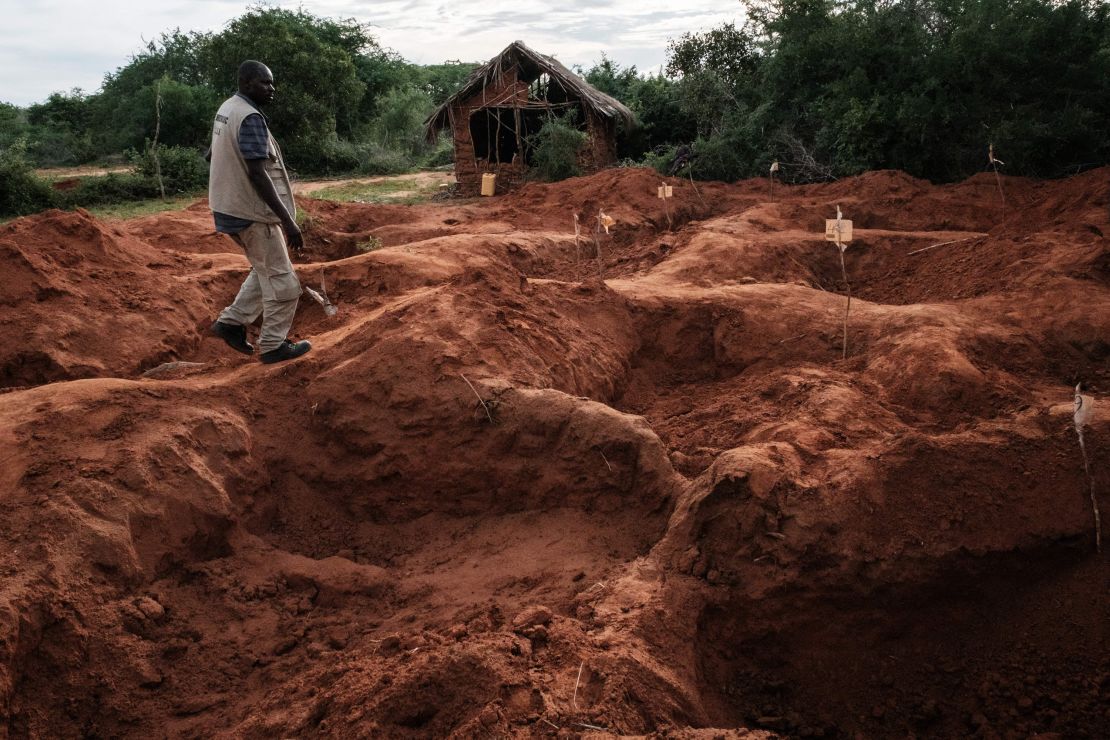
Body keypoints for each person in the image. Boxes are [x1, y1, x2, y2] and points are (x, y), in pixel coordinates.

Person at [208, 60, 311, 364]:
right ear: (248, 83)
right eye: (265, 83)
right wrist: (287, 221)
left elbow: (212, 153)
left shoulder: (228, 108)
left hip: (227, 207)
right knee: (285, 284)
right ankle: (273, 346)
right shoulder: (250, 117)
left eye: (272, 82)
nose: (272, 89)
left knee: (264, 268)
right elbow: (257, 173)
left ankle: (230, 323)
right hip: (251, 212)